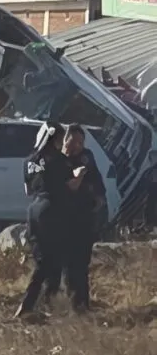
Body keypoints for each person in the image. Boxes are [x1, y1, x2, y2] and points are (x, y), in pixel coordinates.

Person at [16, 121, 85, 318]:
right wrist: (79, 176)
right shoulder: (59, 160)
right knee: (50, 261)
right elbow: (70, 186)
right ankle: (29, 305)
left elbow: (28, 191)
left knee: (45, 259)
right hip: (53, 210)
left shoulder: (29, 161)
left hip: (34, 211)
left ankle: (46, 304)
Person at [62, 124, 105, 311]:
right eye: (74, 141)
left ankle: (83, 303)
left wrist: (98, 198)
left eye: (81, 142)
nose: (78, 146)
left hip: (84, 217)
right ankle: (70, 301)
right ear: (65, 140)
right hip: (65, 218)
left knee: (81, 263)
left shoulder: (86, 157)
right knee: (68, 263)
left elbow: (97, 181)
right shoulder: (57, 161)